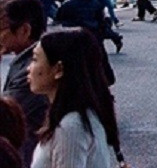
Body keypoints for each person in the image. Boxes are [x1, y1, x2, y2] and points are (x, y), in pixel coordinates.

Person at [27, 28, 125, 168]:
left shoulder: (70, 127)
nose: (29, 68)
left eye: (35, 59)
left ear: (58, 69)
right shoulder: (76, 117)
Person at [0, 0, 48, 164]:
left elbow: (6, 117)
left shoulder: (34, 69)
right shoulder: (29, 59)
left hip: (28, 155)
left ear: (24, 30)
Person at [55, 0, 123, 54]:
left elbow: (58, 21)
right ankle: (115, 37)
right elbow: (101, 23)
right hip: (93, 38)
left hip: (72, 39)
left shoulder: (67, 5)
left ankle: (115, 37)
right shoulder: (96, 4)